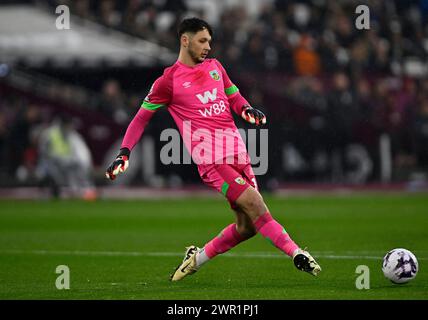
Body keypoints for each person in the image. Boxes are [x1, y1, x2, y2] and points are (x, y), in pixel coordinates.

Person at [106, 17, 321, 281]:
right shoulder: (168, 81)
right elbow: (140, 118)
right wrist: (124, 153)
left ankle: (197, 258)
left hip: (239, 153)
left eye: (210, 40)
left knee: (248, 227)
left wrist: (246, 109)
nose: (208, 46)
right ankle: (296, 253)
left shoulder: (216, 67)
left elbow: (233, 96)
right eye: (202, 40)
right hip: (212, 161)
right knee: (256, 204)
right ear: (185, 40)